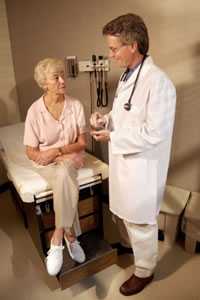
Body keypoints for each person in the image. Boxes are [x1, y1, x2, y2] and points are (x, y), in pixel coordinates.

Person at [90, 13, 176, 296]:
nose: (110, 54)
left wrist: (113, 136)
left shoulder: (158, 82)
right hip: (126, 164)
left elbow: (155, 133)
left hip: (143, 168)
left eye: (114, 48)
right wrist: (106, 120)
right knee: (128, 218)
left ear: (134, 45)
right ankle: (137, 254)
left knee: (140, 222)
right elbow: (126, 113)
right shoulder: (130, 76)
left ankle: (145, 271)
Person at [24, 58, 87, 276]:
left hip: (69, 158)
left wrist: (58, 151)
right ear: (44, 84)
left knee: (65, 171)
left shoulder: (75, 105)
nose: (62, 80)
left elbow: (82, 143)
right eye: (56, 77)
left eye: (63, 75)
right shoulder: (34, 111)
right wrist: (44, 155)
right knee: (63, 176)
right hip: (48, 164)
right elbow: (30, 150)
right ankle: (71, 236)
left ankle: (57, 237)